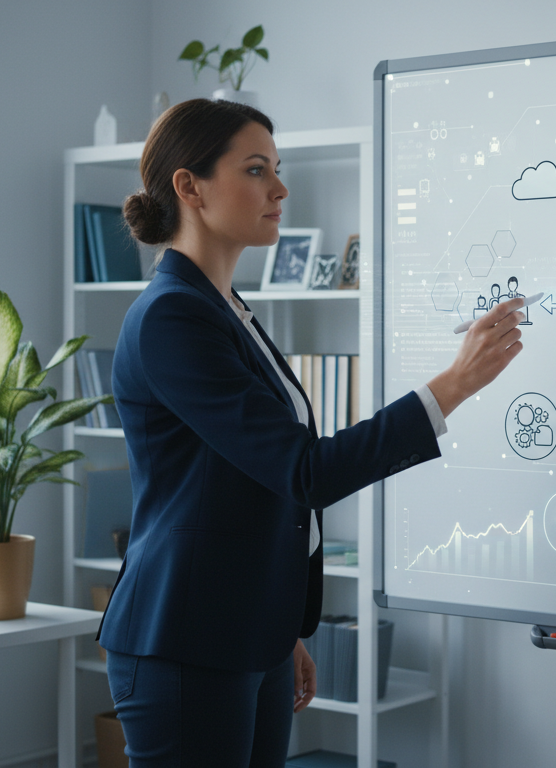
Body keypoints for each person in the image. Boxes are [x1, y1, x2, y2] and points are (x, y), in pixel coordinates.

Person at [97, 99, 526, 767]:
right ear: (190, 187)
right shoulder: (171, 319)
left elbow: (257, 483)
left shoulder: (227, 310)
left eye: (278, 168)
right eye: (257, 169)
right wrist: (454, 385)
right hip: (184, 640)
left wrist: (280, 627)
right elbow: (305, 471)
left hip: (246, 634)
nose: (280, 188)